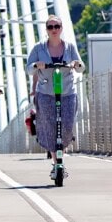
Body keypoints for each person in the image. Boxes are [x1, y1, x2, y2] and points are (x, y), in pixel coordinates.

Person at [27, 15, 85, 180]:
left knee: (66, 126)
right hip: (45, 93)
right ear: (46, 30)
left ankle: (60, 158)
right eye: (50, 27)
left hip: (67, 92)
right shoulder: (39, 48)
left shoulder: (70, 47)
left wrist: (76, 64)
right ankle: (57, 163)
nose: (54, 30)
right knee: (50, 127)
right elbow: (29, 68)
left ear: (61, 28)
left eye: (57, 26)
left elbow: (81, 67)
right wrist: (37, 65)